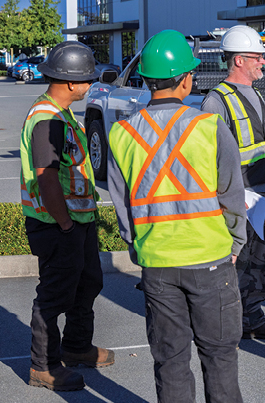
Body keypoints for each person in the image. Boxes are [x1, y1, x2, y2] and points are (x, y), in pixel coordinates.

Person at [107, 30, 247, 403]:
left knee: (169, 361)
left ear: (147, 80)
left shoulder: (121, 134)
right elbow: (232, 196)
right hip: (212, 262)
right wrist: (235, 244)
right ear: (186, 79)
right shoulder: (209, 126)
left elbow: (122, 208)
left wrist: (141, 249)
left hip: (157, 263)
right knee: (219, 358)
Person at [20, 41, 114, 392]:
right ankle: (43, 366)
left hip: (77, 220)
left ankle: (77, 347)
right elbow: (46, 177)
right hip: (57, 224)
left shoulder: (60, 114)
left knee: (87, 283)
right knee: (55, 294)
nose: (90, 85)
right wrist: (64, 223)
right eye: (87, 79)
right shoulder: (46, 119)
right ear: (71, 82)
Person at [201, 25, 265, 340]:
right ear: (239, 60)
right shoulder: (216, 100)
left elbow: (259, 139)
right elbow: (210, 155)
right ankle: (230, 322)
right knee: (237, 259)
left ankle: (251, 317)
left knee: (258, 257)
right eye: (258, 58)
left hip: (264, 191)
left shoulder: (256, 94)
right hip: (241, 196)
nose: (263, 63)